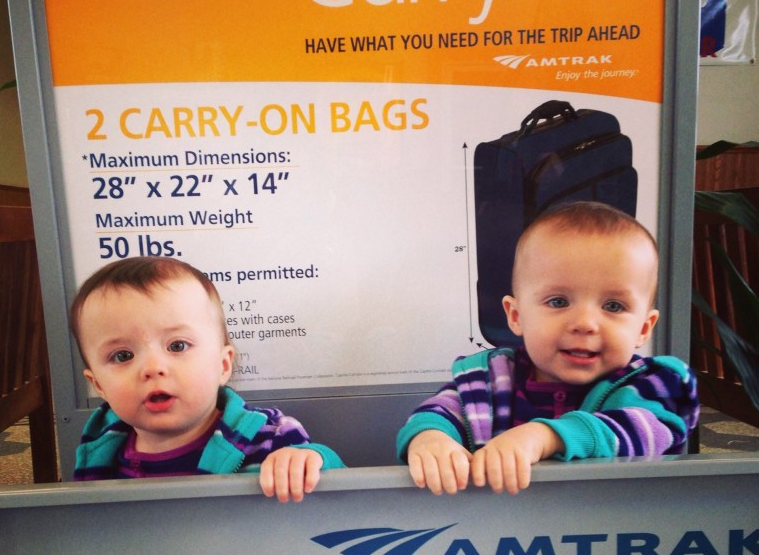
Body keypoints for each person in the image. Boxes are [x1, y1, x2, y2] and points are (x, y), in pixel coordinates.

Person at [397, 200, 699, 496]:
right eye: (558, 302)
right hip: (507, 525)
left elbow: (643, 432)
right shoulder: (490, 379)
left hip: (614, 523)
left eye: (613, 306)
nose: (585, 323)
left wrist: (545, 436)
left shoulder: (652, 385)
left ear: (644, 328)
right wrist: (430, 439)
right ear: (517, 316)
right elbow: (438, 412)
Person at [69, 256, 344, 500]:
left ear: (222, 366)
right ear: (98, 385)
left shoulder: (269, 437)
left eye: (177, 346)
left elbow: (340, 493)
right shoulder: (98, 451)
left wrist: (308, 460)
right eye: (123, 356)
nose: (153, 368)